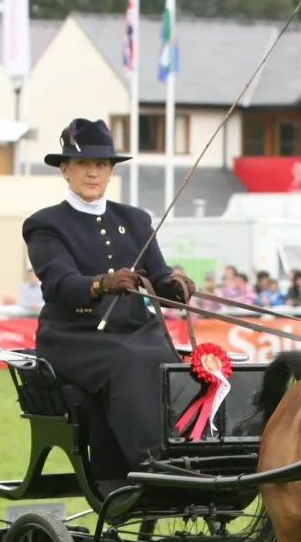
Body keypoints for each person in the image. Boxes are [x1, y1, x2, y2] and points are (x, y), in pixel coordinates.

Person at [22, 117, 195, 472]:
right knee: (131, 359)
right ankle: (150, 462)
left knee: (180, 362)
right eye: (84, 164)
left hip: (135, 331)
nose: (92, 172)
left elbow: (158, 276)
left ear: (110, 171)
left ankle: (196, 449)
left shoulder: (135, 220)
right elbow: (60, 284)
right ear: (65, 169)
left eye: (101, 164)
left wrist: (175, 286)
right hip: (75, 338)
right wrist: (102, 283)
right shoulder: (46, 224)